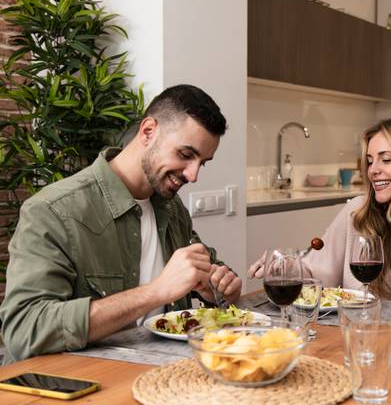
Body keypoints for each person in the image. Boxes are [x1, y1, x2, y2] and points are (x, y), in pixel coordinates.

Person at [0, 84, 242, 363]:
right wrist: (156, 291)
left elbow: (208, 271)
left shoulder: (171, 207)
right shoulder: (53, 211)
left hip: (165, 374)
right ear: (148, 131)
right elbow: (24, 330)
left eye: (203, 162)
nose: (193, 175)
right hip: (78, 385)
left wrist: (220, 289)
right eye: (186, 155)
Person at [248, 117, 391, 306]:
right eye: (369, 161)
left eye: (386, 160)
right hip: (359, 342)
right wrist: (288, 266)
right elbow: (317, 272)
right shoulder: (356, 212)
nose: (373, 170)